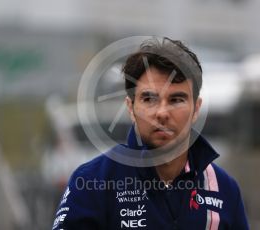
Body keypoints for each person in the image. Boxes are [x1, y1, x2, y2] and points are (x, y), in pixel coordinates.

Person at [52, 37, 249, 230]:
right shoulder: (92, 181)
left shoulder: (225, 189)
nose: (162, 113)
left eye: (176, 99)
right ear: (130, 108)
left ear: (196, 109)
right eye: (149, 99)